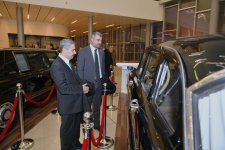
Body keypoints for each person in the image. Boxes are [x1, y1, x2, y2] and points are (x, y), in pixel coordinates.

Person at [50, 39, 89, 150]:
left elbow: (75, 79)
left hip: (75, 104)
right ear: (65, 50)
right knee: (67, 133)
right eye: (73, 50)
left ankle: (75, 144)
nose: (75, 52)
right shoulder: (57, 65)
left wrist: (86, 84)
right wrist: (81, 89)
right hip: (68, 106)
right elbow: (63, 88)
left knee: (75, 129)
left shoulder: (68, 62)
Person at [77, 32, 105, 131]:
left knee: (97, 106)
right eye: (98, 40)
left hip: (98, 84)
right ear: (92, 40)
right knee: (87, 108)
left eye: (101, 40)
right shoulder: (83, 52)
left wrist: (103, 81)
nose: (100, 42)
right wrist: (83, 84)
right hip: (87, 84)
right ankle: (87, 126)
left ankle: (97, 124)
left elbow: (101, 69)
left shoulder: (101, 52)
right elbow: (80, 70)